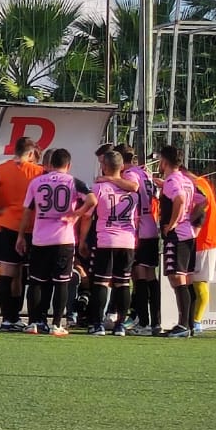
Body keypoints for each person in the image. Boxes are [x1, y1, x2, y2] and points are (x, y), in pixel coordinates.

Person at [17, 147, 91, 336]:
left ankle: (33, 322)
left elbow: (27, 210)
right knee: (61, 282)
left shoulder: (36, 182)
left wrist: (20, 235)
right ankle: (57, 324)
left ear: (49, 164)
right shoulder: (73, 181)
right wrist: (76, 214)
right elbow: (92, 200)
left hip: (40, 238)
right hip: (63, 239)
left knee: (36, 282)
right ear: (68, 164)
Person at [0, 136, 43, 331]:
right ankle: (33, 318)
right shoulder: (38, 171)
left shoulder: (0, 170)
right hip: (31, 226)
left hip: (7, 224)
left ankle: (8, 319)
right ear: (30, 153)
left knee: (7, 272)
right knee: (32, 275)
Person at [83, 148, 139, 335]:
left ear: (104, 166)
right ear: (122, 166)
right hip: (127, 240)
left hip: (106, 239)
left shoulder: (99, 187)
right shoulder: (132, 189)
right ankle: (120, 325)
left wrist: (82, 239)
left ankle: (97, 324)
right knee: (123, 283)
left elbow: (87, 216)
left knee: (100, 282)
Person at [156, 144, 204, 338]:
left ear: (164, 161)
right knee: (186, 277)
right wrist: (190, 220)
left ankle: (183, 325)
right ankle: (189, 324)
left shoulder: (173, 180)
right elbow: (202, 200)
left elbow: (181, 199)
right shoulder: (185, 180)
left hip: (177, 235)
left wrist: (173, 223)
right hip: (189, 234)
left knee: (177, 278)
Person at [118, 143, 163, 333]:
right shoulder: (145, 173)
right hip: (150, 226)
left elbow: (133, 190)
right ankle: (155, 322)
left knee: (140, 275)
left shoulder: (130, 175)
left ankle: (144, 322)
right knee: (149, 275)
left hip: (139, 229)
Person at [186, 168, 216, 334]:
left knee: (200, 281)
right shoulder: (201, 183)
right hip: (200, 240)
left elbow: (204, 204)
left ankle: (197, 321)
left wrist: (190, 218)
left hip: (206, 239)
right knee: (195, 281)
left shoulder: (199, 185)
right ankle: (192, 320)